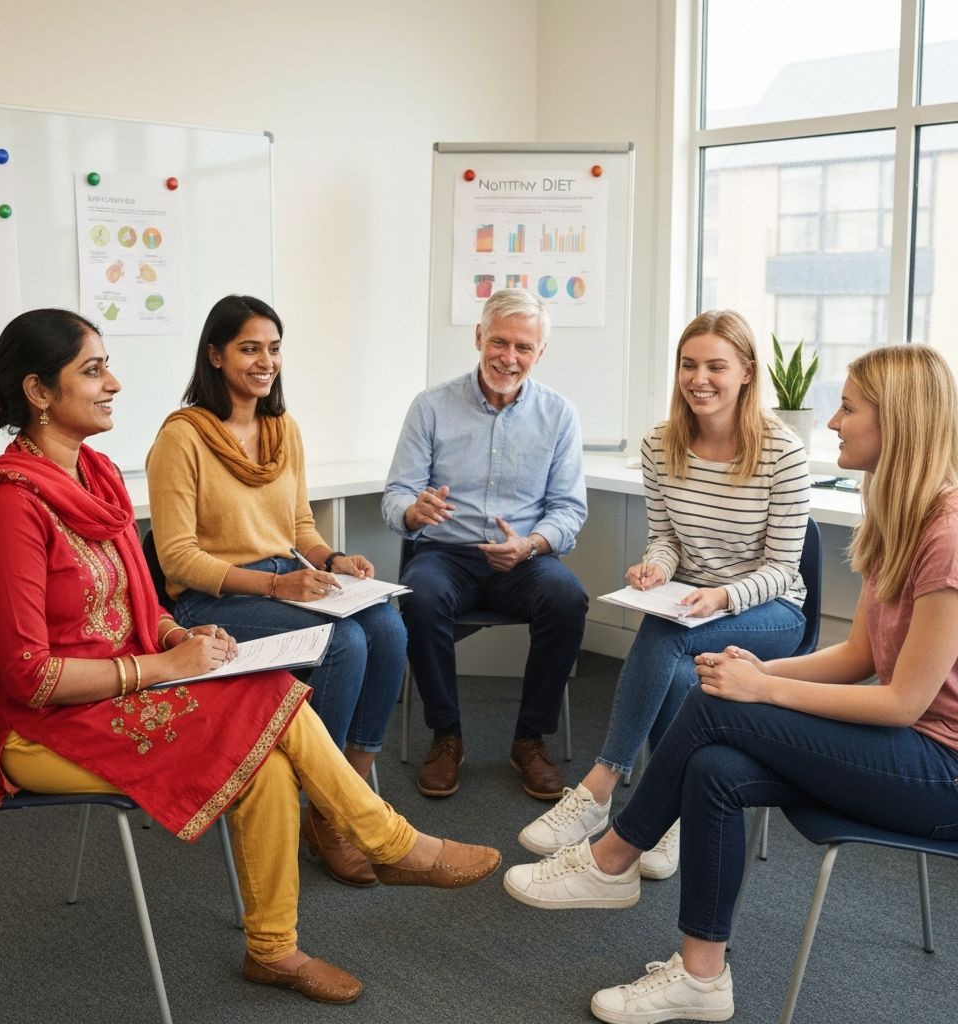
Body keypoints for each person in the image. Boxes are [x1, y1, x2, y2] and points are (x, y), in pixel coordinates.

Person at [0, 308, 500, 1007]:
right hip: (42, 724)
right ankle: (389, 840)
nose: (113, 381)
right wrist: (161, 667)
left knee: (267, 745)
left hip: (116, 693)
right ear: (38, 392)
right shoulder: (10, 505)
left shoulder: (94, 476)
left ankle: (274, 950)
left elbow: (138, 598)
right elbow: (32, 675)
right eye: (93, 370)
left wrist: (173, 634)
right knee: (266, 700)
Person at [504, 343, 958, 1024]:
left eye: (849, 407)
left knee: (714, 708)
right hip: (897, 746)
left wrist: (762, 690)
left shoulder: (946, 537)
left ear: (895, 423)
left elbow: (903, 702)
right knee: (715, 764)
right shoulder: (896, 515)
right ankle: (701, 977)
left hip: (938, 772)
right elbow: (859, 652)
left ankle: (612, 855)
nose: (832, 422)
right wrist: (759, 671)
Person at [517, 310, 810, 880]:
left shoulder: (783, 452)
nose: (699, 378)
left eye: (716, 366)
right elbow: (668, 537)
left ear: (747, 372)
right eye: (689, 364)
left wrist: (722, 596)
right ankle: (669, 819)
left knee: (666, 634)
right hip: (688, 602)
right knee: (675, 668)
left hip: (770, 611)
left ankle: (601, 785)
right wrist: (655, 569)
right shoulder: (661, 443)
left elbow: (783, 568)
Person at [146, 294, 407, 887]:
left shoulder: (281, 428)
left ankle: (350, 784)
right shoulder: (181, 439)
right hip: (212, 597)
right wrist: (275, 583)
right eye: (249, 349)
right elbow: (177, 556)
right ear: (214, 355)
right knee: (344, 645)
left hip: (279, 579)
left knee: (387, 625)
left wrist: (335, 559)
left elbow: (298, 529)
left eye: (274, 348)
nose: (266, 361)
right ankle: (330, 809)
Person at [382, 287, 588, 800]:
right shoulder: (431, 407)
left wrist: (533, 543)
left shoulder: (560, 415)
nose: (509, 358)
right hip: (446, 554)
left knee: (568, 598)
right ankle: (446, 735)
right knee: (419, 596)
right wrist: (413, 510)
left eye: (524, 347)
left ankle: (530, 738)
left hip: (524, 557)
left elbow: (569, 510)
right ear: (478, 337)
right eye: (499, 342)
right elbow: (396, 495)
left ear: (540, 353)